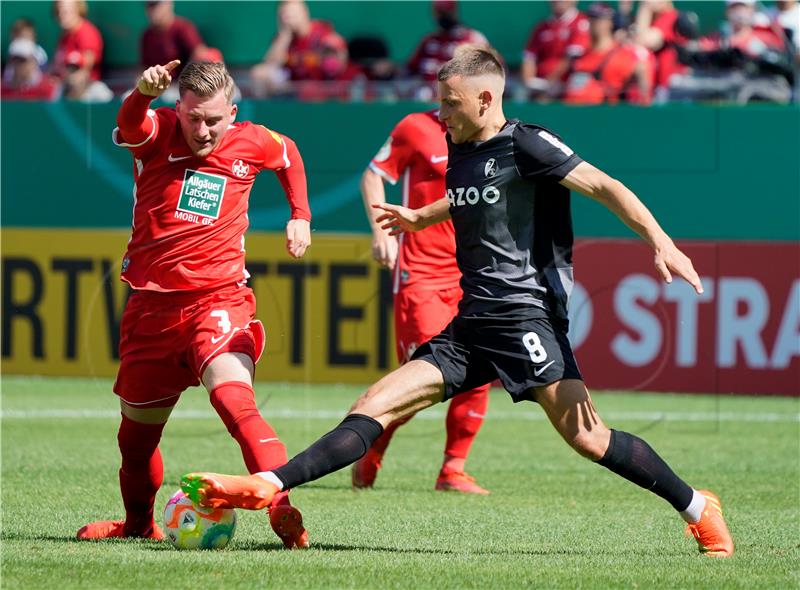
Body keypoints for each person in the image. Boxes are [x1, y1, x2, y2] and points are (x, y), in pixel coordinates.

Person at [180, 47, 734, 558]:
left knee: (590, 437)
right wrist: (422, 217)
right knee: (374, 402)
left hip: (525, 317)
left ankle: (696, 506)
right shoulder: (459, 145)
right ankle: (267, 486)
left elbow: (606, 186)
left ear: (486, 99)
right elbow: (475, 195)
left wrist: (662, 243)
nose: (440, 114)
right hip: (472, 324)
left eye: (450, 103)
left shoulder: (529, 143)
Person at [76, 60, 312, 550]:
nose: (202, 131)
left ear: (233, 112)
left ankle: (282, 507)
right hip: (151, 309)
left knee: (234, 400)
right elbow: (128, 125)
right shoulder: (158, 130)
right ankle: (138, 523)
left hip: (218, 300)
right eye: (193, 118)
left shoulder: (253, 140)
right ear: (177, 108)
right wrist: (141, 93)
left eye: (213, 120)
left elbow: (288, 154)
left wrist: (301, 215)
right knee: (134, 441)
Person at [356, 108, 491, 494]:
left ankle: (453, 469)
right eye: (443, 92)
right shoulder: (416, 127)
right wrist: (382, 233)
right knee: (426, 378)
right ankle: (373, 443)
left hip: (473, 274)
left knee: (481, 371)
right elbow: (373, 174)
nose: (446, 102)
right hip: (421, 275)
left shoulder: (495, 135)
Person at [249, 0, 351, 98]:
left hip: (319, 88)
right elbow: (269, 66)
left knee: (309, 89)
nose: (288, 18)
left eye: (293, 13)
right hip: (292, 89)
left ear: (304, 13)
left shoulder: (321, 33)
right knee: (259, 74)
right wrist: (285, 36)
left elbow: (339, 62)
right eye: (284, 15)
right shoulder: (283, 39)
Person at [562, 3, 654, 105]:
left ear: (610, 22)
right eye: (592, 18)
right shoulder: (580, 55)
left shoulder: (622, 55)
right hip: (570, 112)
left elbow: (641, 74)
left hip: (603, 114)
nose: (594, 23)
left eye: (599, 19)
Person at [405, 0, 489, 99]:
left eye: (446, 13)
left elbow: (493, 70)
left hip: (460, 100)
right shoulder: (429, 41)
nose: (443, 17)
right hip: (427, 100)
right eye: (440, 13)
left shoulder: (472, 38)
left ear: (454, 12)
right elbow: (409, 70)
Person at [521, 0, 591, 97]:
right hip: (541, 83)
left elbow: (571, 60)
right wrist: (529, 82)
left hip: (565, 84)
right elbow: (529, 58)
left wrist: (548, 85)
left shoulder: (581, 23)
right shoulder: (542, 27)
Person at [140, 0, 221, 77]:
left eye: (156, 5)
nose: (153, 10)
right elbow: (143, 69)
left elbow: (201, 55)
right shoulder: (147, 35)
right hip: (157, 87)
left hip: (181, 86)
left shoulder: (183, 28)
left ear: (168, 4)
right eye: (149, 6)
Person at [52, 0, 103, 84]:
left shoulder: (86, 33)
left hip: (84, 90)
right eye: (58, 11)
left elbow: (84, 72)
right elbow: (55, 66)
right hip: (64, 87)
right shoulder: (64, 36)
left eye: (65, 12)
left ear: (78, 10)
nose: (60, 15)